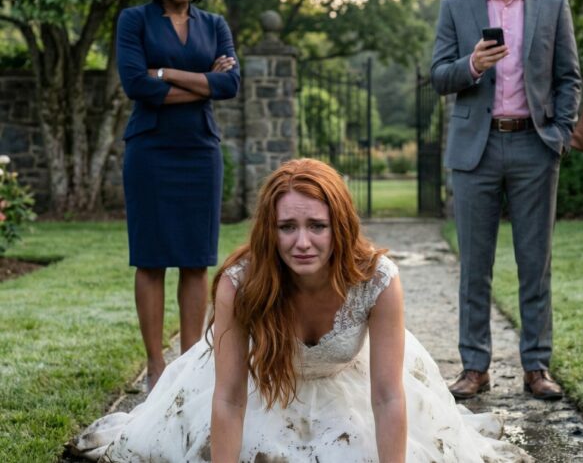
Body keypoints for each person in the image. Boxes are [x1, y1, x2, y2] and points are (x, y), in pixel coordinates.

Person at [70, 159, 531, 462]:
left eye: (317, 226)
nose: (302, 242)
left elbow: (389, 397)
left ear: (340, 227)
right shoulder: (240, 282)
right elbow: (229, 397)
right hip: (260, 388)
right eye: (287, 226)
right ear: (269, 230)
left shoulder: (377, 279)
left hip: (349, 386)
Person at [431, 0, 581, 400]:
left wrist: (561, 135)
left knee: (535, 263)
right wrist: (472, 65)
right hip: (474, 149)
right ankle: (475, 367)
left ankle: (536, 366)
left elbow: (569, 76)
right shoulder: (455, 5)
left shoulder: (553, 4)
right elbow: (439, 75)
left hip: (534, 146)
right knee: (475, 266)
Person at [116, 0, 239, 390]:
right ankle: (156, 366)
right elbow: (135, 83)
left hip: (200, 150)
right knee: (150, 259)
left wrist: (164, 73)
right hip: (150, 149)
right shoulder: (134, 20)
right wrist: (204, 81)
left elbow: (230, 84)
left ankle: (188, 367)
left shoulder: (215, 24)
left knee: (195, 260)